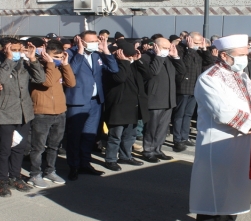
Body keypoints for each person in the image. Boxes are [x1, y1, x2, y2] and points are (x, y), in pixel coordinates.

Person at [190, 34, 251, 221]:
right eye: (243, 54)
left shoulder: (240, 74)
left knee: (235, 182)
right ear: (225, 56)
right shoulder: (209, 78)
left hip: (244, 139)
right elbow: (222, 112)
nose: (247, 57)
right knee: (214, 185)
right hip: (219, 141)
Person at [0, 38, 46, 196]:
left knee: (19, 148)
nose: (17, 52)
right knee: (4, 149)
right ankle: (2, 180)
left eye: (19, 49)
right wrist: (9, 59)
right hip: (5, 113)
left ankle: (15, 176)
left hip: (24, 112)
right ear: (5, 49)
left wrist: (33, 59)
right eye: (14, 49)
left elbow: (40, 79)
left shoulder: (24, 64)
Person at [64, 31, 118, 180]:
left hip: (95, 102)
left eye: (97, 40)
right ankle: (73, 166)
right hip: (78, 102)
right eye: (92, 41)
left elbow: (114, 69)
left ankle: (85, 163)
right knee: (75, 136)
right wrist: (80, 52)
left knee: (89, 135)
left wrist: (106, 51)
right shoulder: (70, 53)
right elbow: (71, 72)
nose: (96, 42)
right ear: (81, 41)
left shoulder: (97, 54)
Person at [27, 41, 76, 188]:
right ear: (46, 54)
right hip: (42, 113)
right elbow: (46, 82)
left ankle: (50, 171)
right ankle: (35, 174)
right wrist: (50, 64)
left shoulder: (60, 67)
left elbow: (71, 83)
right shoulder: (37, 67)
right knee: (38, 147)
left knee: (54, 145)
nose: (58, 59)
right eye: (56, 56)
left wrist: (66, 64)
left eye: (61, 56)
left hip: (60, 112)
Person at [102, 41, 148, 171]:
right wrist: (124, 62)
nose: (130, 58)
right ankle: (111, 159)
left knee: (130, 135)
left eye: (131, 55)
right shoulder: (113, 64)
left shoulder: (132, 64)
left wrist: (138, 61)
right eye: (128, 55)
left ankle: (125, 156)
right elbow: (120, 78)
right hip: (118, 106)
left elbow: (147, 75)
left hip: (133, 105)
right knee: (115, 136)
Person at [141, 37, 186, 163]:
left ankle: (157, 149)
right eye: (164, 48)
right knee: (152, 127)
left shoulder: (169, 58)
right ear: (155, 46)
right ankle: (148, 150)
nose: (167, 50)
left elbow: (182, 71)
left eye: (168, 48)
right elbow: (153, 72)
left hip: (168, 98)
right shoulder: (147, 58)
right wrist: (159, 56)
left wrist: (176, 57)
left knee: (163, 128)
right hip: (155, 99)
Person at [172, 32, 204, 152]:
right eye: (195, 42)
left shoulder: (198, 51)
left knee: (188, 114)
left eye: (199, 43)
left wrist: (204, 49)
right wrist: (190, 50)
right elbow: (184, 66)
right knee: (179, 114)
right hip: (183, 87)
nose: (197, 45)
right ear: (189, 40)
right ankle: (177, 139)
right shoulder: (179, 49)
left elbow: (207, 61)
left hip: (194, 87)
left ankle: (185, 136)